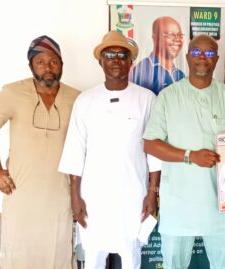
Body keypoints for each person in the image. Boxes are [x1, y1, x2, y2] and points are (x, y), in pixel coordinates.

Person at [58, 30, 160, 268]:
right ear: (100, 61)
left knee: (131, 256)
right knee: (94, 257)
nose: (116, 60)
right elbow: (76, 149)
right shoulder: (85, 101)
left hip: (133, 194)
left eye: (122, 55)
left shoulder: (146, 99)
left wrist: (152, 193)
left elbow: (154, 151)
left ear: (130, 62)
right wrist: (75, 196)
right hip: (93, 196)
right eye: (110, 54)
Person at [143, 34, 225, 269]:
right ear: (187, 57)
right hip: (178, 206)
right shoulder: (168, 96)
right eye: (197, 52)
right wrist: (190, 156)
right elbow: (150, 143)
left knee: (224, 265)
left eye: (209, 54)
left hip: (220, 207)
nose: (202, 58)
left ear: (216, 59)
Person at [0, 35, 80, 268]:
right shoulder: (12, 92)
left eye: (54, 62)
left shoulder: (76, 99)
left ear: (62, 65)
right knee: (18, 256)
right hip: (20, 194)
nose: (48, 68)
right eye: (41, 62)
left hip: (59, 196)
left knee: (58, 257)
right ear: (31, 65)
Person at [130, 16, 185, 95]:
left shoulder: (180, 74)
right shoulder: (142, 72)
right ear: (155, 38)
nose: (177, 39)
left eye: (180, 35)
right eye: (171, 35)